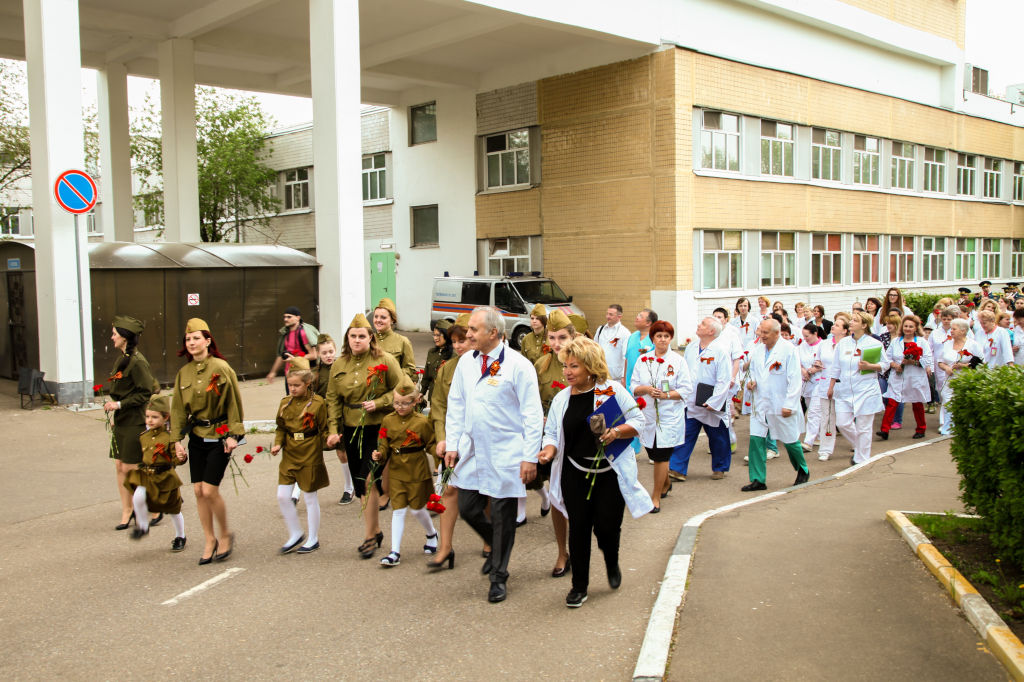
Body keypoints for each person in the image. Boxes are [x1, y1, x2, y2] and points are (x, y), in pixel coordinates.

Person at [538, 336, 651, 608]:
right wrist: (549, 450)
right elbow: (552, 432)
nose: (567, 372)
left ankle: (611, 561)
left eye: (574, 366)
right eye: (565, 366)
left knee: (607, 529)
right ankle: (579, 586)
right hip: (574, 472)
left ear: (590, 367)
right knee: (578, 528)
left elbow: (639, 420)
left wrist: (617, 431)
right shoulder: (562, 399)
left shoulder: (611, 391)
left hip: (609, 473)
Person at [444, 306, 544, 603]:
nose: (468, 334)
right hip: (473, 448)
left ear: (494, 333)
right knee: (468, 507)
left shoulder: (518, 365)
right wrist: (452, 444)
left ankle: (499, 575)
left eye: (474, 330)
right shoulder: (465, 363)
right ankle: (493, 542)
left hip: (506, 450)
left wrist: (529, 456)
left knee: (503, 515)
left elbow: (531, 414)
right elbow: (456, 406)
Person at [325, 313, 404, 558]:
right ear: (347, 338)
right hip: (351, 428)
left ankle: (370, 536)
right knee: (361, 485)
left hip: (378, 428)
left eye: (362, 336)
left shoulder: (386, 360)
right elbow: (333, 398)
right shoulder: (339, 365)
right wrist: (332, 430)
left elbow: (403, 389)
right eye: (353, 336)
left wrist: (380, 402)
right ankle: (375, 530)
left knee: (369, 480)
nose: (357, 340)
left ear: (371, 338)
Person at [171, 318, 244, 565]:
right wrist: (176, 441)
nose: (191, 343)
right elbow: (178, 409)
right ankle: (209, 538)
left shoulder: (221, 368)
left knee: (210, 490)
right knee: (198, 491)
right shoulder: (184, 373)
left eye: (196, 338)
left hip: (220, 436)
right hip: (197, 437)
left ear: (208, 341)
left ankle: (225, 535)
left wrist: (234, 435)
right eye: (188, 339)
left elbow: (234, 402)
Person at [373, 377, 439, 567]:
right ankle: (395, 552)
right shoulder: (387, 420)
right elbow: (383, 441)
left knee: (418, 509)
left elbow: (431, 445)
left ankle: (431, 533)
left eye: (405, 403)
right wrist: (380, 454)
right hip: (396, 470)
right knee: (399, 509)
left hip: (417, 470)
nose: (400, 407)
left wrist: (441, 460)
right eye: (396, 403)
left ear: (416, 401)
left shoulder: (421, 422)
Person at [427, 313, 474, 570]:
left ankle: (489, 542)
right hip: (454, 440)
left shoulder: (486, 367)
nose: (457, 346)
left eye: (463, 340)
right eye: (454, 341)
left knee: (483, 494)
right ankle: (445, 547)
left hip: (478, 440)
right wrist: (442, 438)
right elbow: (438, 406)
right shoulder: (446, 369)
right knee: (449, 490)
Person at [742, 319, 810, 491]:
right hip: (761, 403)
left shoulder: (788, 350)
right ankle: (758, 479)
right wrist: (751, 383)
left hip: (780, 403)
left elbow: (795, 380)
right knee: (756, 440)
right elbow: (753, 373)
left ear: (776, 333)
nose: (761, 336)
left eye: (765, 333)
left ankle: (803, 469)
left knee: (789, 440)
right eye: (760, 332)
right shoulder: (757, 351)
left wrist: (789, 404)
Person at [270, 357, 329, 555]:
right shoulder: (285, 403)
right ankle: (295, 532)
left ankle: (313, 538)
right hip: (290, 453)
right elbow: (280, 427)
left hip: (310, 451)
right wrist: (278, 443)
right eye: (290, 385)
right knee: (282, 496)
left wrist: (330, 439)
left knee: (310, 496)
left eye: (297, 385)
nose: (292, 389)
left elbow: (324, 428)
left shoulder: (318, 403)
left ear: (308, 383)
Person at [631, 320, 692, 510]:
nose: (663, 340)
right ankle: (666, 484)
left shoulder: (678, 361)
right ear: (653, 338)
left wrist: (666, 395)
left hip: (669, 416)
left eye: (666, 336)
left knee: (661, 456)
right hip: (648, 414)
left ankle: (655, 497)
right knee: (653, 451)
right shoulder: (643, 360)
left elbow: (686, 389)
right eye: (659, 336)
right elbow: (633, 386)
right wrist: (646, 389)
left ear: (671, 338)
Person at [104, 315, 157, 531]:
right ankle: (127, 510)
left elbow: (146, 393)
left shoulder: (138, 361)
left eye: (115, 334)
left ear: (125, 337)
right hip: (123, 420)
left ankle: (154, 507)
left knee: (133, 467)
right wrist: (117, 409)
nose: (112, 337)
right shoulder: (123, 358)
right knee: (120, 465)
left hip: (135, 419)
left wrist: (119, 405)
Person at [533, 310, 575, 575]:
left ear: (573, 337)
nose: (557, 343)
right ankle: (563, 552)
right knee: (558, 494)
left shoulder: (585, 361)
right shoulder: (542, 365)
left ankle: (580, 544)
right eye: (552, 338)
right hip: (551, 438)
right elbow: (531, 400)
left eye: (562, 337)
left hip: (579, 438)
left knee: (577, 498)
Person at [669, 317, 733, 482]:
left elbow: (724, 379)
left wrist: (715, 401)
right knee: (685, 434)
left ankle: (720, 467)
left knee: (718, 437)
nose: (699, 325)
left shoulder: (720, 350)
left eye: (703, 324)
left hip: (711, 402)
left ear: (711, 331)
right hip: (691, 401)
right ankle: (677, 468)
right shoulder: (691, 347)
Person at [124, 395, 187, 550]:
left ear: (165, 417)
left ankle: (181, 536)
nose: (150, 420)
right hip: (147, 475)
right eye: (147, 417)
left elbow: (176, 460)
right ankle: (143, 526)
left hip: (166, 476)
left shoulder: (170, 438)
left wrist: (182, 457)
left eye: (154, 417)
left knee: (173, 509)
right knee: (138, 496)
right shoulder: (143, 436)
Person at [827, 311, 884, 465]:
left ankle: (861, 459)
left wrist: (870, 366)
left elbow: (885, 365)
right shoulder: (843, 343)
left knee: (864, 426)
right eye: (851, 320)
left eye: (855, 320)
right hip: (845, 390)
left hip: (866, 390)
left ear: (864, 325)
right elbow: (836, 367)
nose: (850, 322)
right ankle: (859, 447)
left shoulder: (874, 344)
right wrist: (831, 386)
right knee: (843, 423)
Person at [313, 334, 354, 505]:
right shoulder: (315, 374)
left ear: (335, 350)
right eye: (324, 353)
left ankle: (349, 488)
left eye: (331, 351)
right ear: (318, 354)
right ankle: (298, 491)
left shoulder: (342, 367)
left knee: (342, 453)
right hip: (323, 417)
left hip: (341, 416)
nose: (328, 355)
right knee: (310, 452)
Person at [878, 315, 933, 440]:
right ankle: (884, 430)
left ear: (915, 328)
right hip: (898, 376)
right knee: (892, 402)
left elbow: (928, 359)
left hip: (915, 376)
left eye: (911, 326)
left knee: (917, 403)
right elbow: (887, 358)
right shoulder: (896, 341)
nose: (908, 329)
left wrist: (913, 362)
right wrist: (895, 365)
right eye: (906, 326)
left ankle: (921, 428)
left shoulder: (921, 342)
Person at [805, 318, 845, 461]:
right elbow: (819, 361)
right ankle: (825, 449)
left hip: (843, 386)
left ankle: (857, 442)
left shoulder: (848, 345)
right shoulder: (825, 344)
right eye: (833, 324)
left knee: (844, 422)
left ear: (845, 330)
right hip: (825, 385)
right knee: (826, 418)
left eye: (837, 325)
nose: (833, 326)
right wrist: (816, 365)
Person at [936, 318, 983, 436]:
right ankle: (948, 425)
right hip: (950, 379)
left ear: (963, 331)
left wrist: (963, 366)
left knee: (965, 400)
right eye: (951, 329)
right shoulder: (947, 344)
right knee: (947, 399)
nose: (951, 331)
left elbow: (981, 362)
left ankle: (966, 425)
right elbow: (940, 362)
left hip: (966, 378)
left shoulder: (973, 344)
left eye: (954, 329)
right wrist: (946, 368)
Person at [266, 306, 319, 385]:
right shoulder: (285, 333)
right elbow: (281, 355)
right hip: (289, 374)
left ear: (298, 318)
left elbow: (313, 355)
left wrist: (294, 359)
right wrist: (273, 372)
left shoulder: (303, 333)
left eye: (289, 317)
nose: (285, 319)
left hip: (303, 374)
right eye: (284, 317)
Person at [372, 297, 417, 381]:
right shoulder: (368, 340)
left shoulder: (403, 341)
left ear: (392, 320)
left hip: (392, 389)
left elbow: (410, 368)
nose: (378, 320)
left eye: (383, 317)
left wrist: (393, 374)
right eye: (376, 316)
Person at [877, 313, 906, 430]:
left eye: (891, 323)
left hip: (899, 371)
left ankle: (897, 420)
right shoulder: (883, 337)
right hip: (885, 371)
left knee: (898, 397)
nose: (888, 326)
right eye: (887, 323)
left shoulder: (902, 338)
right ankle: (889, 415)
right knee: (884, 395)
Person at [797, 324, 823, 444]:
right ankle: (817, 436)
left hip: (819, 381)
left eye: (807, 336)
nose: (805, 338)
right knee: (812, 409)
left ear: (815, 334)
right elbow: (798, 361)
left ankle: (808, 441)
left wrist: (814, 370)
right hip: (806, 382)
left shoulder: (823, 345)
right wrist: (803, 371)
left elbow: (827, 362)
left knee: (813, 412)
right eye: (803, 336)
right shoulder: (802, 346)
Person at [594, 304, 631, 384]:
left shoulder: (625, 333)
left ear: (619, 316)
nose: (608, 316)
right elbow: (594, 349)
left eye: (611, 314)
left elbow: (626, 356)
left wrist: (624, 377)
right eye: (607, 313)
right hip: (600, 375)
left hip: (616, 379)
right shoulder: (600, 329)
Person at [421, 320, 453, 401]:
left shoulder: (454, 355)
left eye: (438, 335)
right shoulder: (432, 352)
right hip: (433, 395)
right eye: (434, 335)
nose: (435, 338)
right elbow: (427, 374)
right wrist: (422, 392)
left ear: (447, 335)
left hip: (446, 397)